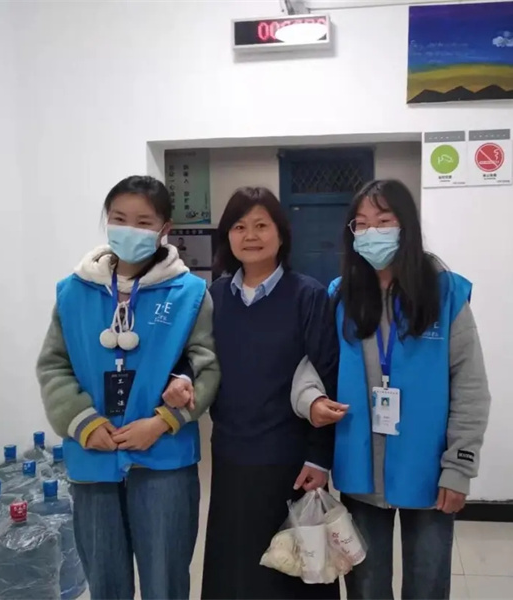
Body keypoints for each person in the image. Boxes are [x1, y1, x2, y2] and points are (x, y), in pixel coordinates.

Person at [292, 179, 492, 599]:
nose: (372, 232)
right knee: (365, 586)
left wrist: (459, 467)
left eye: (384, 221)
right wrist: (311, 400)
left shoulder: (445, 292)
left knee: (427, 584)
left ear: (407, 226)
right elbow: (314, 366)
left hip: (429, 469)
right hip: (360, 468)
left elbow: (471, 385)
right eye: (361, 224)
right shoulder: (342, 295)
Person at [36, 175, 220, 600]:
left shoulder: (190, 294)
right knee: (105, 581)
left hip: (163, 458)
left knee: (165, 579)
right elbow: (53, 365)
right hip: (93, 457)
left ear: (164, 229)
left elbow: (206, 367)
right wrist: (83, 423)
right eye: (119, 218)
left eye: (143, 222)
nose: (129, 229)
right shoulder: (73, 292)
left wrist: (163, 421)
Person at [190, 186, 339, 599]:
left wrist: (319, 457)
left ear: (281, 233)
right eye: (239, 227)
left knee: (291, 567)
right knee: (235, 564)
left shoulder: (308, 295)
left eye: (261, 225)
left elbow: (327, 378)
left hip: (290, 457)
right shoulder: (216, 297)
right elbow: (199, 359)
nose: (250, 235)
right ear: (227, 236)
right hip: (231, 452)